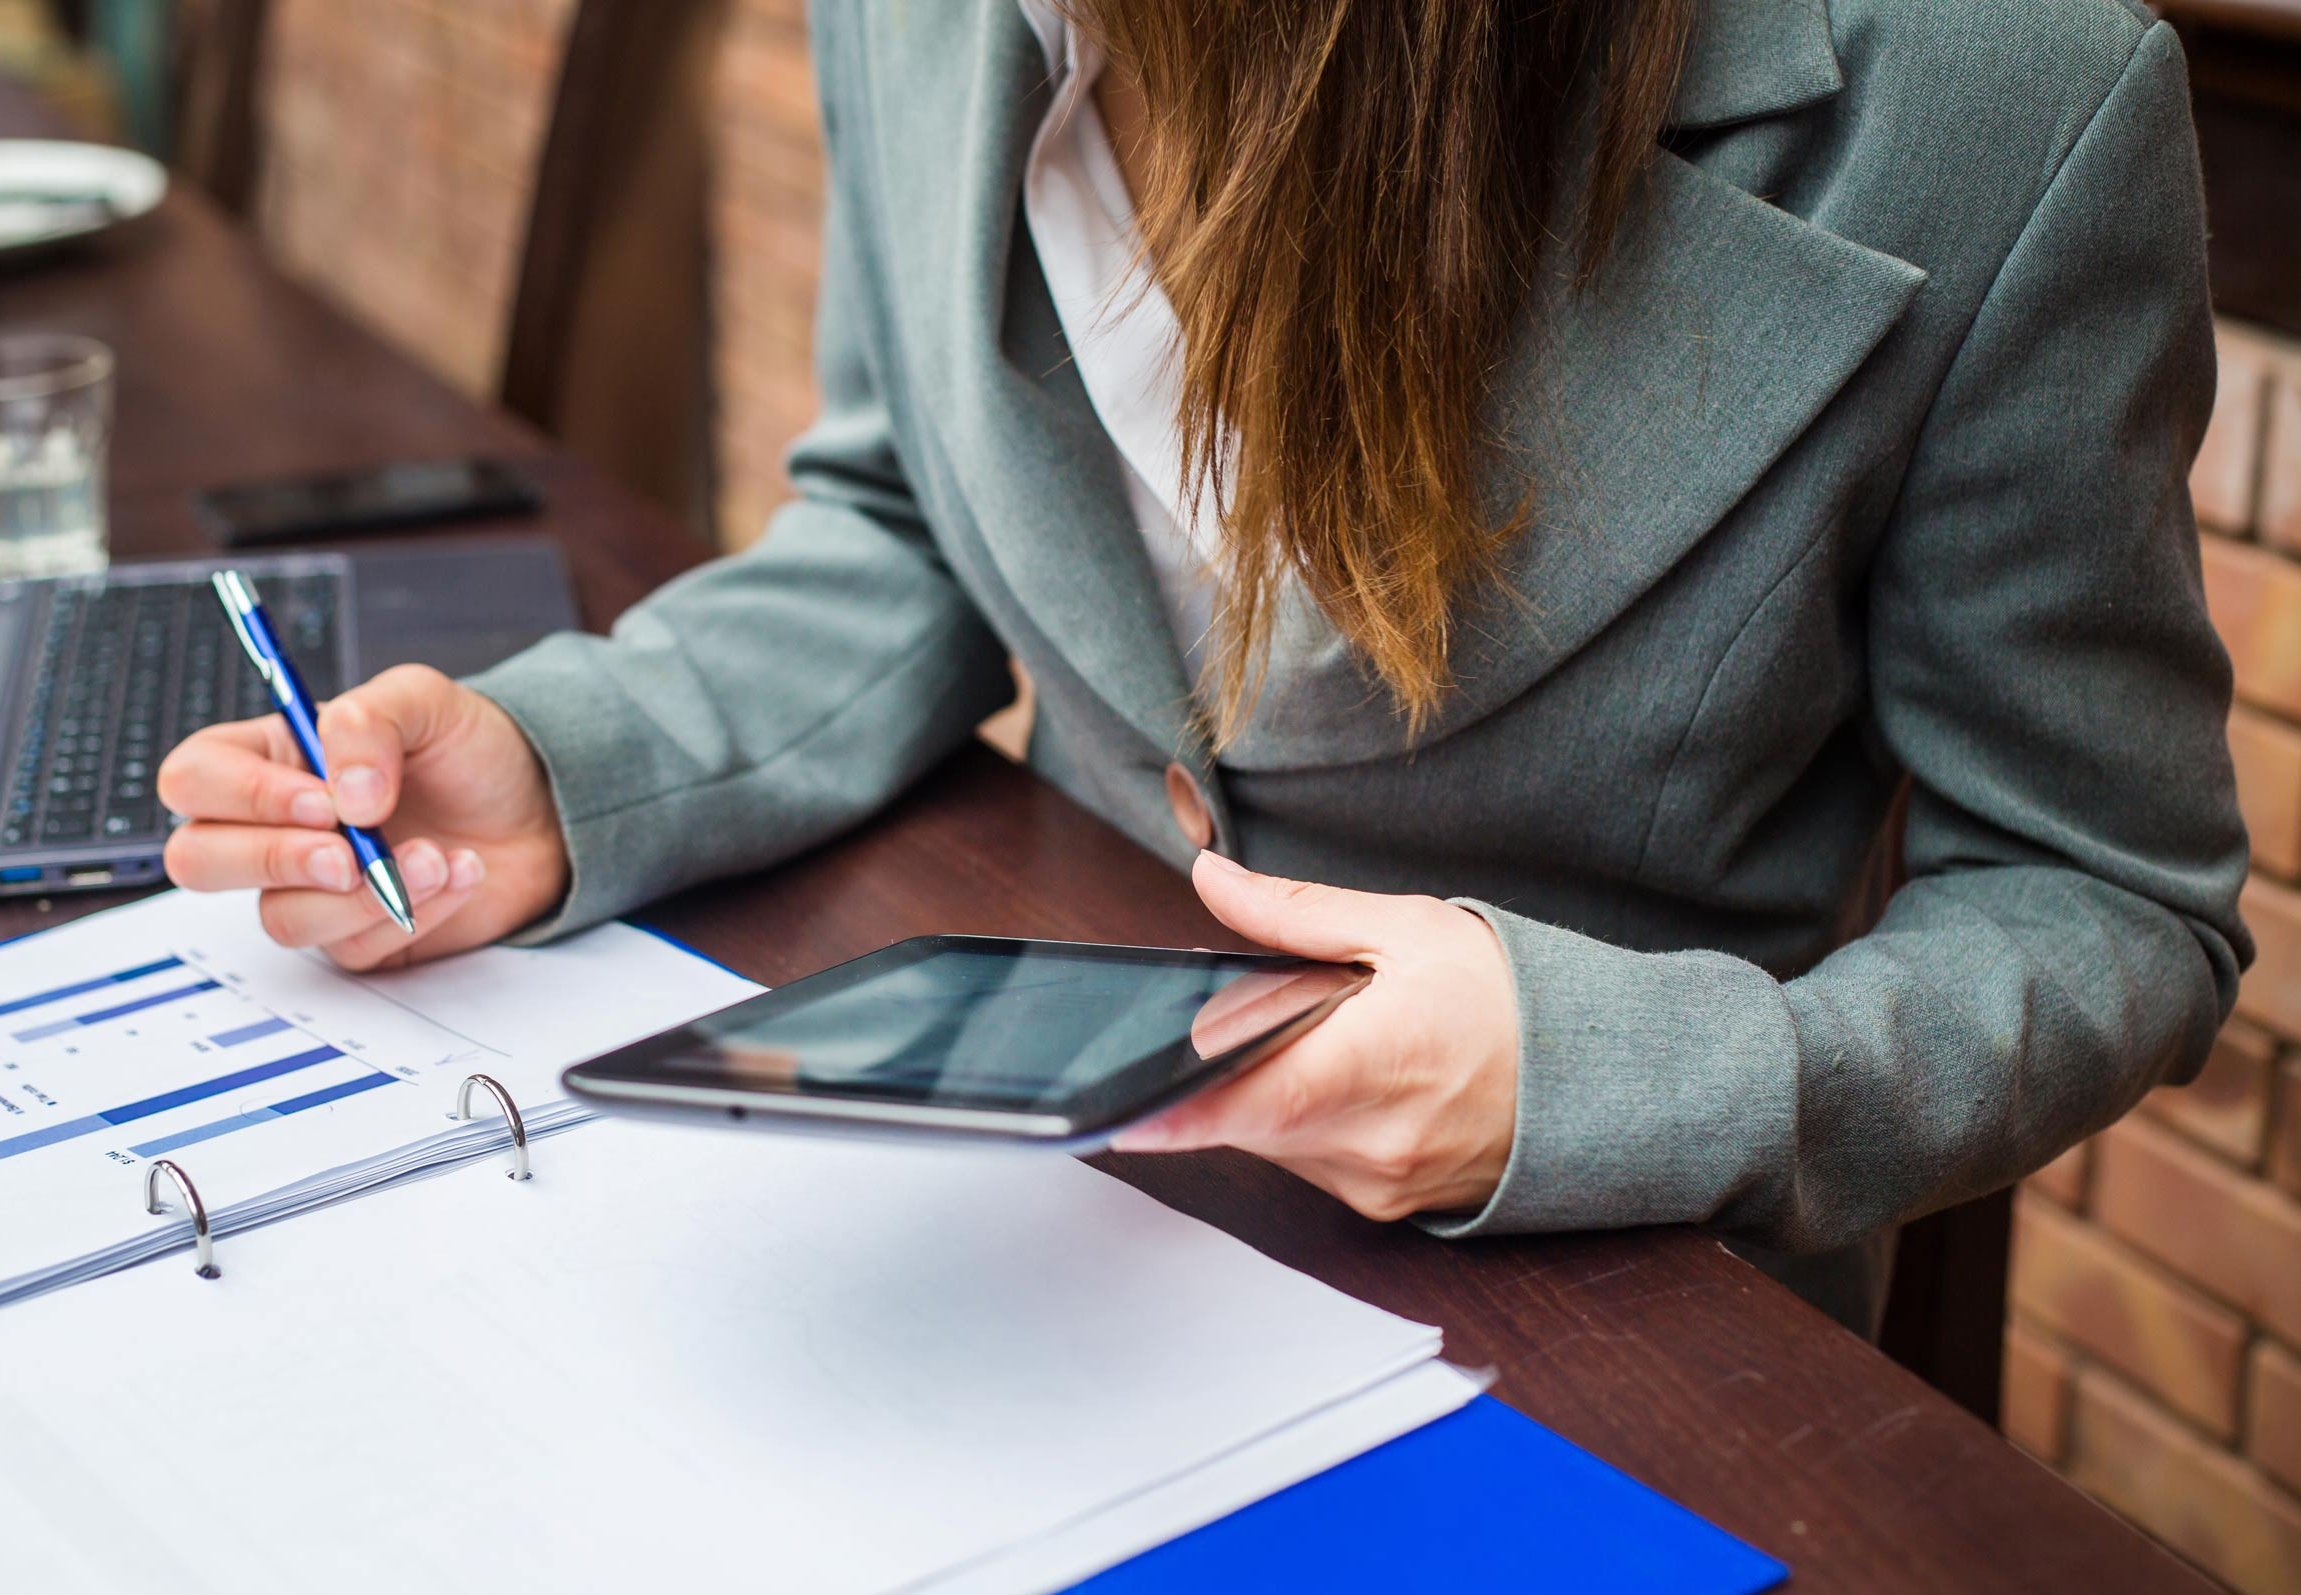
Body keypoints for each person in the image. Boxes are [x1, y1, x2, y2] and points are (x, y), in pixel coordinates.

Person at [157, 0, 2248, 1334]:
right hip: (1016, 1219)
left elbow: (2105, 902)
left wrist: (1615, 1085)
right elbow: (899, 518)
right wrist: (566, 760)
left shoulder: (2003, 102)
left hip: (1609, 1313)